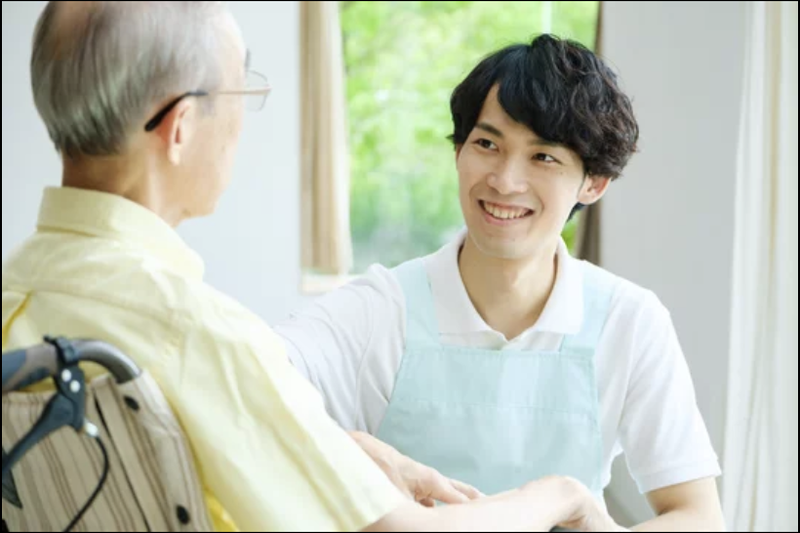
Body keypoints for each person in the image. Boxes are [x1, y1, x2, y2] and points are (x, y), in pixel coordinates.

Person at [2, 2, 621, 532]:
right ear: (182, 126)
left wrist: (339, 446)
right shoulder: (193, 333)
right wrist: (561, 493)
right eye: (240, 94)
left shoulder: (16, 296)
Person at [276, 34, 726, 531]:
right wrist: (355, 446)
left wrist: (586, 514)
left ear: (593, 182)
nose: (505, 181)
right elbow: (241, 381)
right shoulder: (380, 311)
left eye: (543, 157)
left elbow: (698, 516)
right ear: (458, 151)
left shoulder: (629, 321)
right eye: (487, 144)